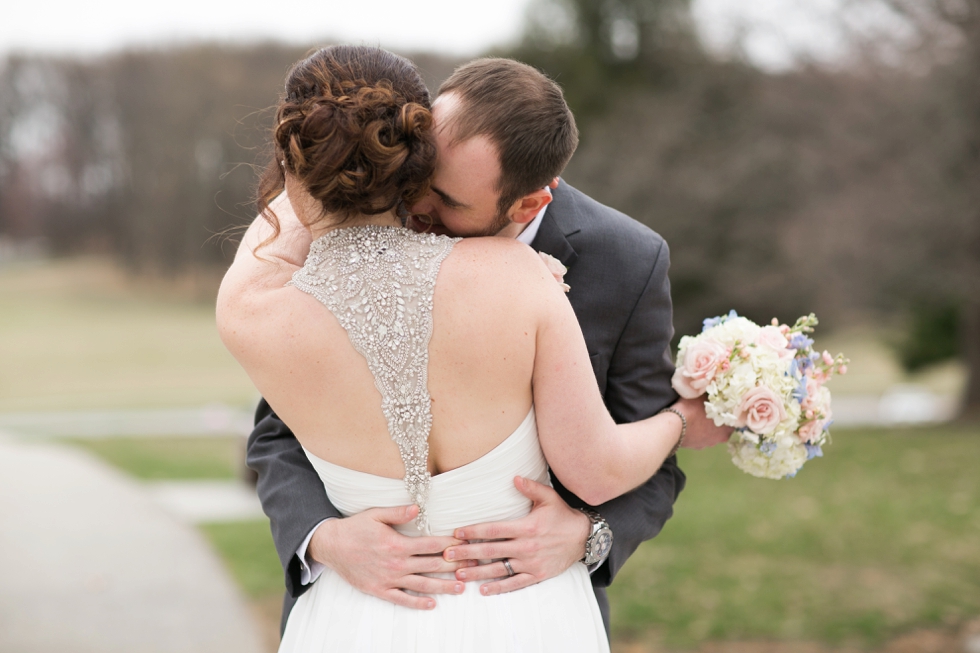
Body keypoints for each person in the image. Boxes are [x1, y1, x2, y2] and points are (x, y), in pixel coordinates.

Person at [230, 46, 730, 649]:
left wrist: (587, 536)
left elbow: (636, 472)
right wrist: (324, 539)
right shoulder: (518, 274)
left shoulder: (626, 261)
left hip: (523, 602)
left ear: (527, 204)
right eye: (414, 174)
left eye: (447, 201)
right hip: (353, 591)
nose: (413, 206)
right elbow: (277, 434)